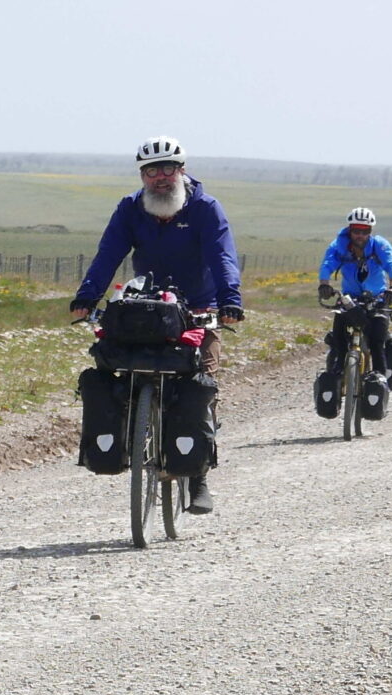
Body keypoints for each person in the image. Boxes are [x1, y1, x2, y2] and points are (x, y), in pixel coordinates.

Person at [70, 136, 243, 514]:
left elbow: (222, 256)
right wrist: (87, 297)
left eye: (168, 169)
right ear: (143, 175)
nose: (160, 178)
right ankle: (133, 430)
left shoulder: (205, 208)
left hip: (198, 307)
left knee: (204, 383)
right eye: (152, 171)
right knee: (121, 367)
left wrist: (230, 300)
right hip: (145, 307)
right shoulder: (131, 208)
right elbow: (108, 254)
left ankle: (198, 477)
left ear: (181, 171)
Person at [318, 207, 392, 377]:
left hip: (377, 298)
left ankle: (378, 378)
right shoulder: (339, 247)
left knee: (377, 342)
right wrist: (324, 284)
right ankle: (338, 369)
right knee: (338, 334)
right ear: (350, 230)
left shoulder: (379, 245)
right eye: (356, 231)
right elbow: (328, 264)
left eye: (365, 231)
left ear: (370, 231)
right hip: (350, 298)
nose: (360, 235)